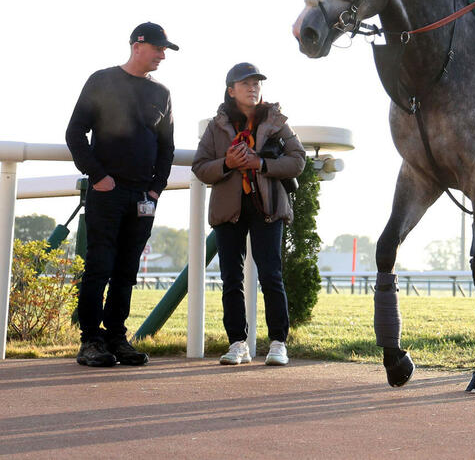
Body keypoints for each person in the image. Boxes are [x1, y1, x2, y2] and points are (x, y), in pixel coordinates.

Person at [66, 21, 178, 367]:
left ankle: (116, 337)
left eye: (164, 51)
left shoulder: (162, 93)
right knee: (99, 266)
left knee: (127, 269)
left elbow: (166, 148)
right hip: (107, 192)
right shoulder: (102, 81)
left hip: (143, 197)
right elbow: (75, 133)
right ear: (137, 45)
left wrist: (156, 189)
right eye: (158, 48)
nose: (162, 55)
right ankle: (90, 340)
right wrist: (98, 176)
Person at [192, 62, 305, 366]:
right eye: (246, 83)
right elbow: (200, 167)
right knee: (231, 278)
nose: (253, 87)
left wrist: (262, 165)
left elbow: (298, 160)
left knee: (272, 275)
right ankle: (237, 344)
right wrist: (227, 163)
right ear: (231, 90)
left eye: (257, 83)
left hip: (267, 209)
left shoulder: (277, 121)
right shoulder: (216, 127)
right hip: (229, 211)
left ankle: (279, 343)